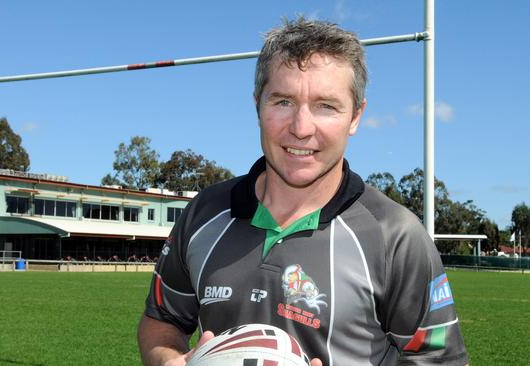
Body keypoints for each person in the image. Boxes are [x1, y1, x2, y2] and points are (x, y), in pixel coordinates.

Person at [138, 17, 468, 366]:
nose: (301, 128)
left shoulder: (395, 238)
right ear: (257, 105)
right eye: (283, 102)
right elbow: (162, 322)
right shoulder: (204, 213)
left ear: (356, 116)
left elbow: (441, 361)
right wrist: (169, 361)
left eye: (326, 106)